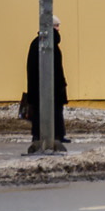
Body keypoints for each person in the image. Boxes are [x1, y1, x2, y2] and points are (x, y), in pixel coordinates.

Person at [25, 16, 68, 147]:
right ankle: (53, 135)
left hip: (42, 85)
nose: (58, 29)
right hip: (48, 86)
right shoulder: (48, 43)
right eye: (56, 26)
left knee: (42, 110)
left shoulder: (40, 43)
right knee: (48, 110)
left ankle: (46, 134)